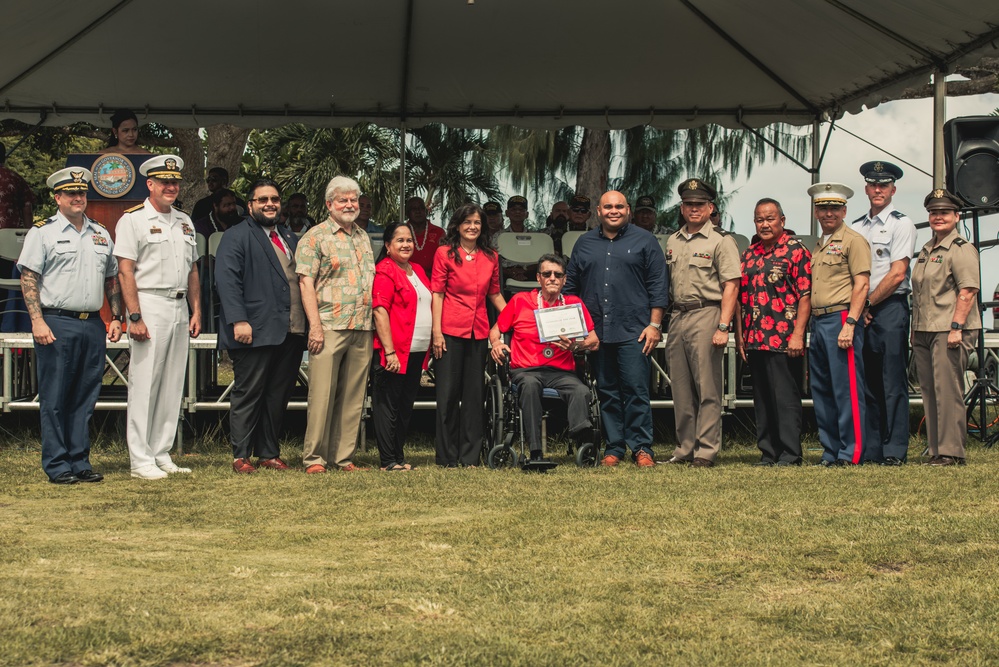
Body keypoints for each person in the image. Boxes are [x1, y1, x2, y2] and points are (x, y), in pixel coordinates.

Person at [17, 167, 123, 484]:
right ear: (58, 197)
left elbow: (112, 278)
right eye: (71, 193)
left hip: (92, 324)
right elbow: (29, 278)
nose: (78, 198)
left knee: (84, 396)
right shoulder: (43, 232)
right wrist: (36, 320)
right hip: (56, 322)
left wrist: (116, 316)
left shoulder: (101, 233)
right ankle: (57, 463)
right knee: (56, 397)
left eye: (82, 192)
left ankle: (80, 460)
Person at [564, 191, 668, 467]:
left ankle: (642, 448)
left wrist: (654, 325)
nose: (613, 211)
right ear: (598, 211)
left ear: (628, 210)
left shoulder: (645, 241)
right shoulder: (584, 244)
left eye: (619, 206)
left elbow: (659, 286)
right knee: (608, 391)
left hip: (635, 330)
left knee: (636, 389)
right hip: (597, 333)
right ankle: (614, 447)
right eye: (608, 206)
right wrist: (579, 330)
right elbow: (571, 289)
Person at [114, 155, 201, 479]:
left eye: (174, 182)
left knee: (172, 382)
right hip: (149, 303)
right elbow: (125, 271)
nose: (170, 187)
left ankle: (161, 451)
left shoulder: (184, 221)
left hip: (179, 305)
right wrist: (133, 316)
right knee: (145, 382)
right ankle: (140, 459)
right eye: (163, 182)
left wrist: (197, 310)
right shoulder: (132, 220)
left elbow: (193, 269)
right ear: (149, 184)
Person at [215, 178, 305, 474]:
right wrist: (239, 320)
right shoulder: (237, 235)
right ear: (250, 205)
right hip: (253, 330)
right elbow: (228, 282)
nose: (270, 204)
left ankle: (268, 452)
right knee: (248, 393)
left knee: (277, 395)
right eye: (262, 200)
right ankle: (241, 455)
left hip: (289, 330)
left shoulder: (289, 238)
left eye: (275, 199)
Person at [295, 176, 375, 473]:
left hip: (361, 326)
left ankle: (343, 457)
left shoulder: (362, 236)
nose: (349, 205)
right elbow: (305, 283)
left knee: (354, 398)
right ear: (329, 204)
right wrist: (314, 327)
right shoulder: (315, 237)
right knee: (322, 396)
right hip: (329, 325)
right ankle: (314, 458)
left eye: (353, 200)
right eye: (343, 200)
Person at [489, 253, 599, 461]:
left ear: (565, 280)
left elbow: (594, 341)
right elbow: (495, 330)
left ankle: (581, 433)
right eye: (547, 274)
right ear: (538, 278)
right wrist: (496, 343)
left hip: (561, 372)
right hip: (526, 370)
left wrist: (576, 345)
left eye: (558, 275)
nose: (552, 278)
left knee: (582, 390)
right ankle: (536, 450)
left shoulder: (573, 303)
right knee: (530, 386)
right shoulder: (520, 301)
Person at [664, 179, 741, 468]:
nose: (693, 209)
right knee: (680, 388)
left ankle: (706, 450)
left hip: (707, 312)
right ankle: (685, 448)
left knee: (707, 387)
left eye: (699, 204)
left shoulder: (721, 241)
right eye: (688, 204)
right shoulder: (673, 240)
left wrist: (723, 326)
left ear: (711, 208)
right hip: (678, 315)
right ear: (682, 208)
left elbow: (732, 285)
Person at [736, 198, 812, 466]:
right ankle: (768, 452)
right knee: (763, 399)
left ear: (782, 220)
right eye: (760, 219)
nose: (765, 224)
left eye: (770, 218)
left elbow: (806, 295)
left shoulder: (796, 251)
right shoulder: (749, 253)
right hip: (755, 337)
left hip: (784, 337)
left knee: (785, 398)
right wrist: (740, 336)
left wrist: (798, 334)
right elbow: (739, 297)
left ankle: (791, 453)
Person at [851, 160, 918, 465]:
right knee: (868, 384)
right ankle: (873, 448)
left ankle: (894, 450)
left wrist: (867, 304)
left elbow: (897, 273)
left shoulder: (901, 223)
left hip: (888, 309)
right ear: (866, 188)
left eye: (884, 185)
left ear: (893, 189)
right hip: (862, 310)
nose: (878, 190)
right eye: (873, 184)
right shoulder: (856, 227)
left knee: (892, 383)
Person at [431, 203, 506, 467]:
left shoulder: (491, 256)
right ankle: (447, 457)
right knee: (448, 396)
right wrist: (436, 332)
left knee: (475, 396)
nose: (472, 227)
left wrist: (515, 318)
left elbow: (494, 294)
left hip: (478, 334)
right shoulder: (444, 253)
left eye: (477, 222)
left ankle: (470, 456)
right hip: (449, 332)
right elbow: (437, 294)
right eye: (467, 222)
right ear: (458, 225)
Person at [911, 189, 980, 466]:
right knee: (929, 390)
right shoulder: (928, 249)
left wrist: (956, 327)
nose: (938, 217)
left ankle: (952, 451)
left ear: (956, 216)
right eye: (933, 213)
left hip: (949, 328)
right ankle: (936, 449)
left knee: (948, 390)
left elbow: (968, 291)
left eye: (944, 213)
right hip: (925, 328)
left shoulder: (961, 248)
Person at [806, 182, 871, 467]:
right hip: (819, 321)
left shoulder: (853, 240)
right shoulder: (820, 245)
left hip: (842, 318)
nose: (828, 213)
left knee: (846, 390)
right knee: (822, 390)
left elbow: (862, 283)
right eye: (822, 208)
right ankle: (830, 450)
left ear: (844, 211)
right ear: (816, 212)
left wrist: (852, 323)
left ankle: (851, 451)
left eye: (834, 208)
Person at [371, 221, 432, 471]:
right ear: (387, 246)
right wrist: (389, 351)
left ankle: (399, 457)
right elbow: (380, 311)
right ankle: (387, 460)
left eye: (409, 240)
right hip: (395, 352)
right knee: (388, 405)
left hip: (417, 350)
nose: (406, 244)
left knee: (405, 406)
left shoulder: (416, 269)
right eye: (400, 240)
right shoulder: (385, 270)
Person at [405, 196, 446, 277]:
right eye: (414, 209)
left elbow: (446, 260)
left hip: (434, 280)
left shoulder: (439, 232)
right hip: (406, 279)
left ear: (425, 211)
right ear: (408, 213)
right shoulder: (400, 232)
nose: (418, 211)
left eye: (421, 208)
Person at [0, 142, 35, 229]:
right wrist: (29, 233)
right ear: (4, 157)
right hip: (10, 234)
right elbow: (27, 210)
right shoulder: (15, 178)